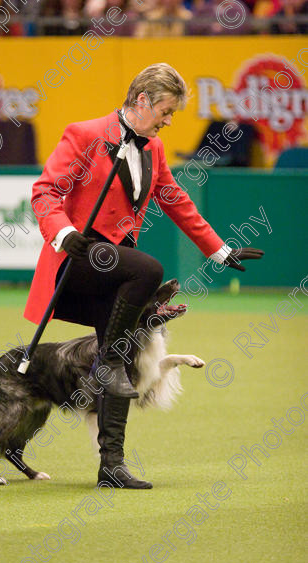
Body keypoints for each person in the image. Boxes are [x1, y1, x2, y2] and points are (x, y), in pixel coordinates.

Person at [24, 63, 264, 490]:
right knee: (151, 270)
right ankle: (108, 366)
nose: (169, 121)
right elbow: (45, 191)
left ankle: (111, 466)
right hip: (78, 260)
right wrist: (63, 233)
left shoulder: (153, 148)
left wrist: (219, 249)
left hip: (115, 271)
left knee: (118, 359)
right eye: (166, 112)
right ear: (142, 101)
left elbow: (175, 199)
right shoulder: (84, 134)